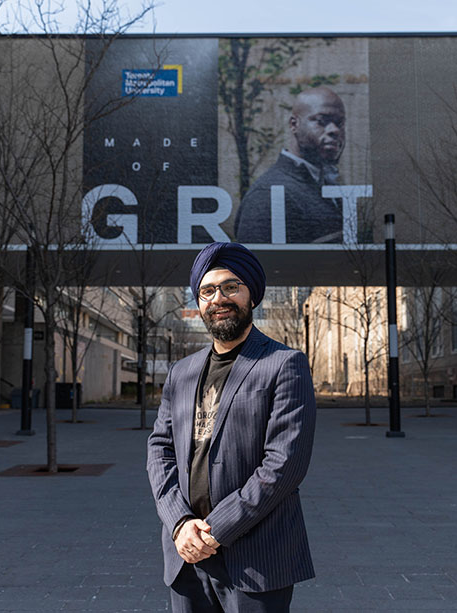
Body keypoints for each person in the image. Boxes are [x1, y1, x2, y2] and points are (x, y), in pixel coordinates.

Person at [147, 242, 317, 612]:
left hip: (256, 556)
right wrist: (179, 523)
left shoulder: (283, 364)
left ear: (251, 294)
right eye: (207, 291)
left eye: (230, 287)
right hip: (187, 556)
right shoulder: (182, 372)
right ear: (198, 302)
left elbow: (284, 466)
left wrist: (215, 530)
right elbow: (159, 450)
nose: (219, 298)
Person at [234, 86, 346, 244]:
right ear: (294, 124)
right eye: (322, 121)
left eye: (339, 123)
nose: (334, 130)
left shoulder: (323, 183)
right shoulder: (268, 194)